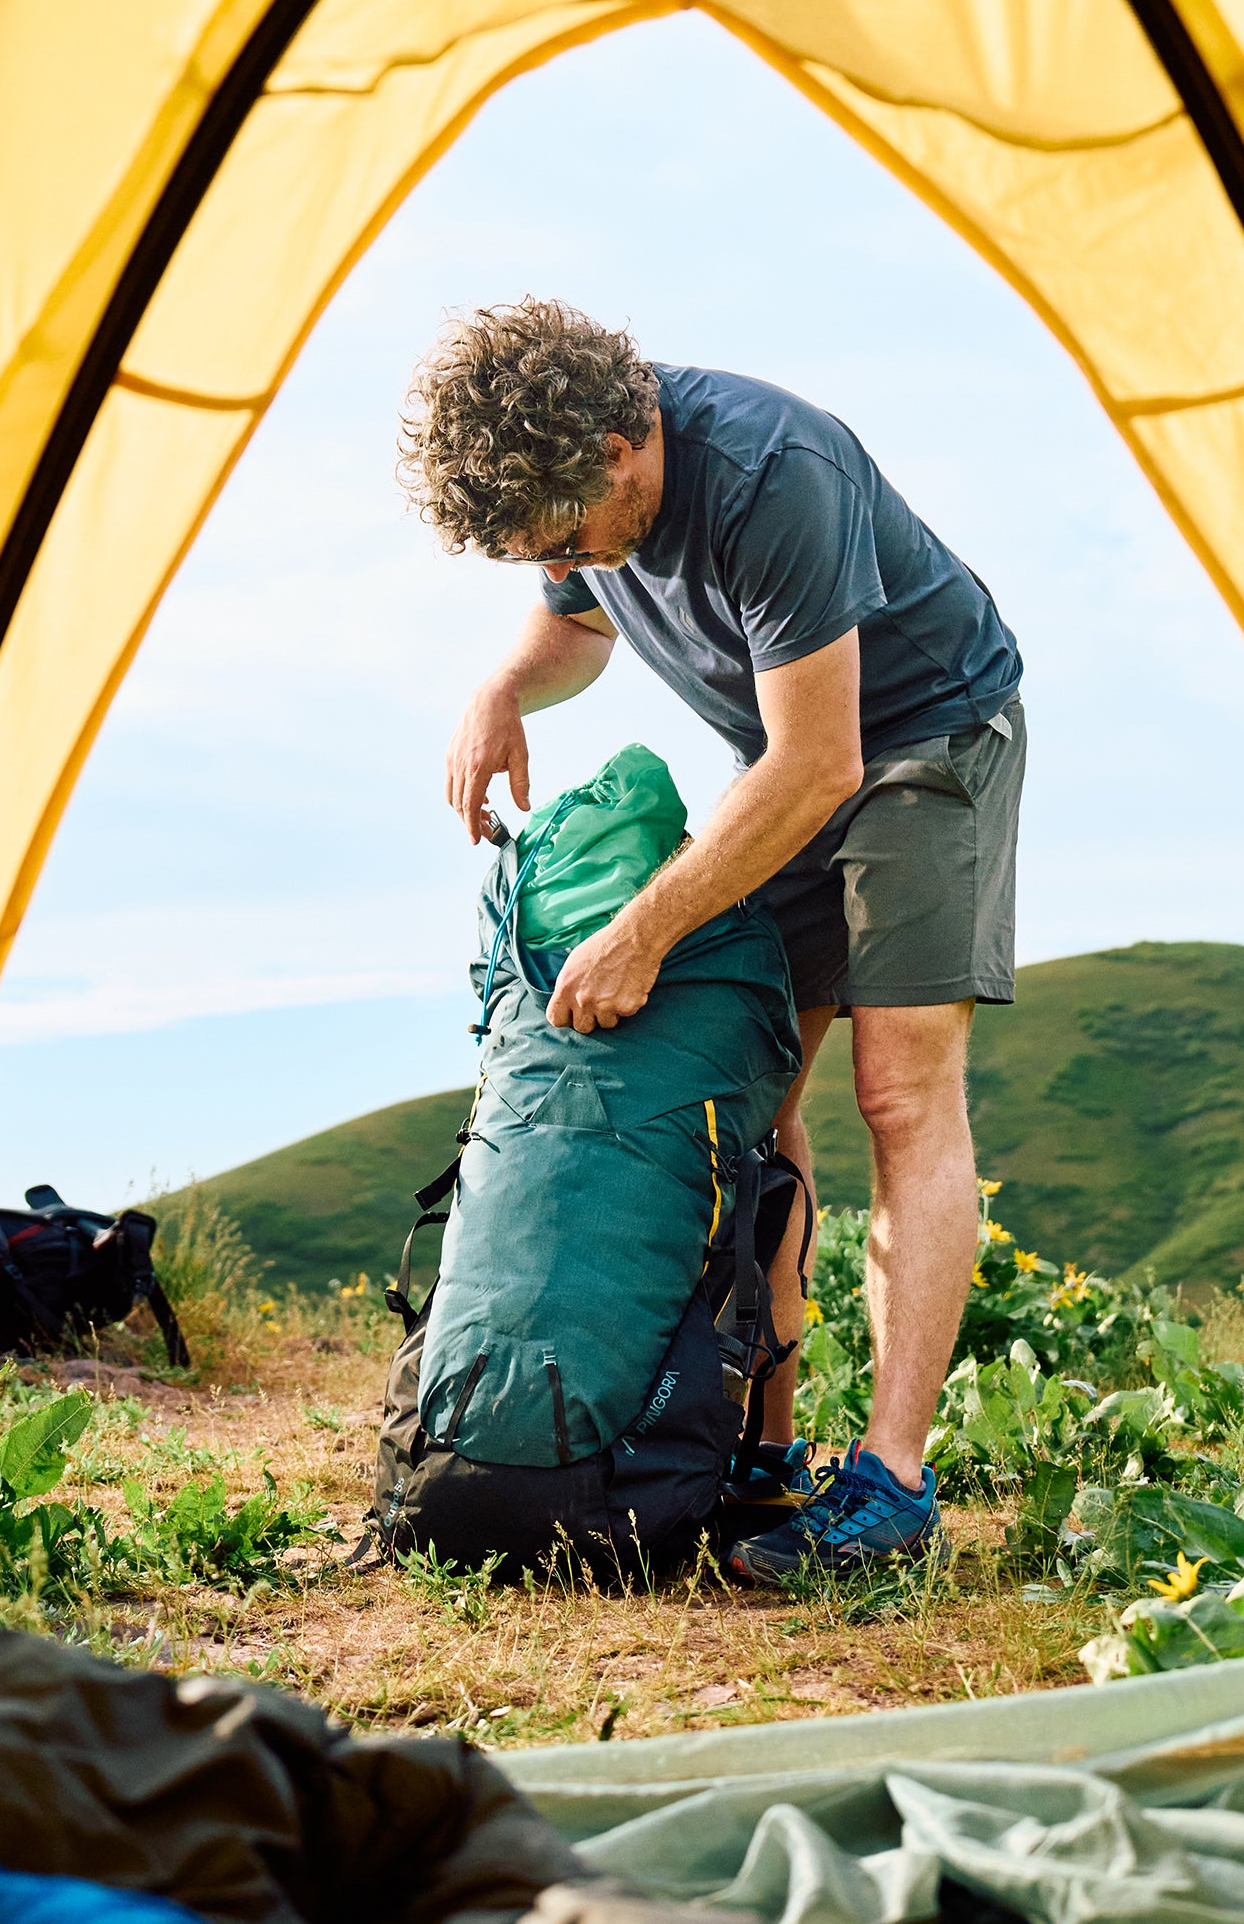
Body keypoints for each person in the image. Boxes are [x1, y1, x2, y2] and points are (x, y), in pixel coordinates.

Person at [398, 298, 1025, 1584]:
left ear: (630, 438)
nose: (571, 555)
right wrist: (501, 685)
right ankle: (763, 1449)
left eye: (571, 530)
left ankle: (893, 1489)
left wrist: (644, 929)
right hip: (784, 760)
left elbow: (823, 759)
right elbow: (575, 624)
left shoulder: (766, 472)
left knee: (899, 1091)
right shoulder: (570, 469)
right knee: (749, 1103)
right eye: (542, 544)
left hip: (923, 740)